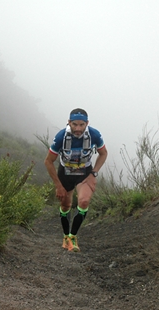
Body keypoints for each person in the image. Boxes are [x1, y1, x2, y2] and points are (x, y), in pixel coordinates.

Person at [44, 108, 108, 252]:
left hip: (84, 172)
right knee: (66, 205)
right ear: (69, 123)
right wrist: (58, 185)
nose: (78, 129)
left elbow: (103, 153)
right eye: (74, 125)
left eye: (81, 125)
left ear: (87, 123)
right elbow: (48, 161)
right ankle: (66, 236)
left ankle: (73, 236)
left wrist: (94, 173)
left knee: (84, 201)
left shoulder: (94, 135)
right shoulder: (61, 136)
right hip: (65, 173)